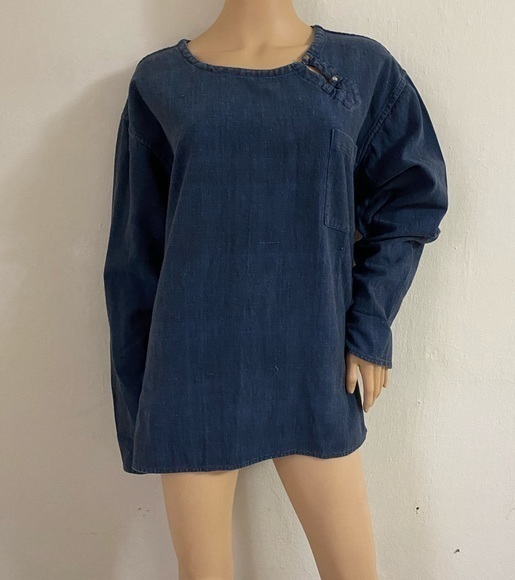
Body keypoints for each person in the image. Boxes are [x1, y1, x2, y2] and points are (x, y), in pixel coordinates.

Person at [102, 4, 448, 579]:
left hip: (314, 356)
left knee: (353, 572)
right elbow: (135, 253)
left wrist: (369, 327)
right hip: (191, 366)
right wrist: (141, 400)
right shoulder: (161, 81)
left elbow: (411, 200)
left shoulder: (359, 68)